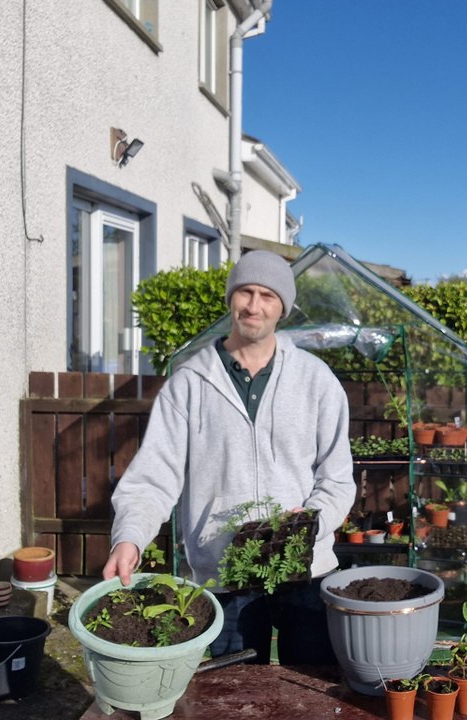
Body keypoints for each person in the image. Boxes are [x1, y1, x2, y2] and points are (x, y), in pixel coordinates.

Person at [103, 250, 355, 665]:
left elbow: (337, 478)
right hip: (223, 573)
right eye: (245, 292)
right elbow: (154, 477)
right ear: (230, 298)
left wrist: (307, 525)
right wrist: (129, 536)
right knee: (230, 694)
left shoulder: (316, 381)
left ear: (282, 309)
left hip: (304, 568)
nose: (254, 306)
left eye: (267, 296)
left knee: (311, 686)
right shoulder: (189, 383)